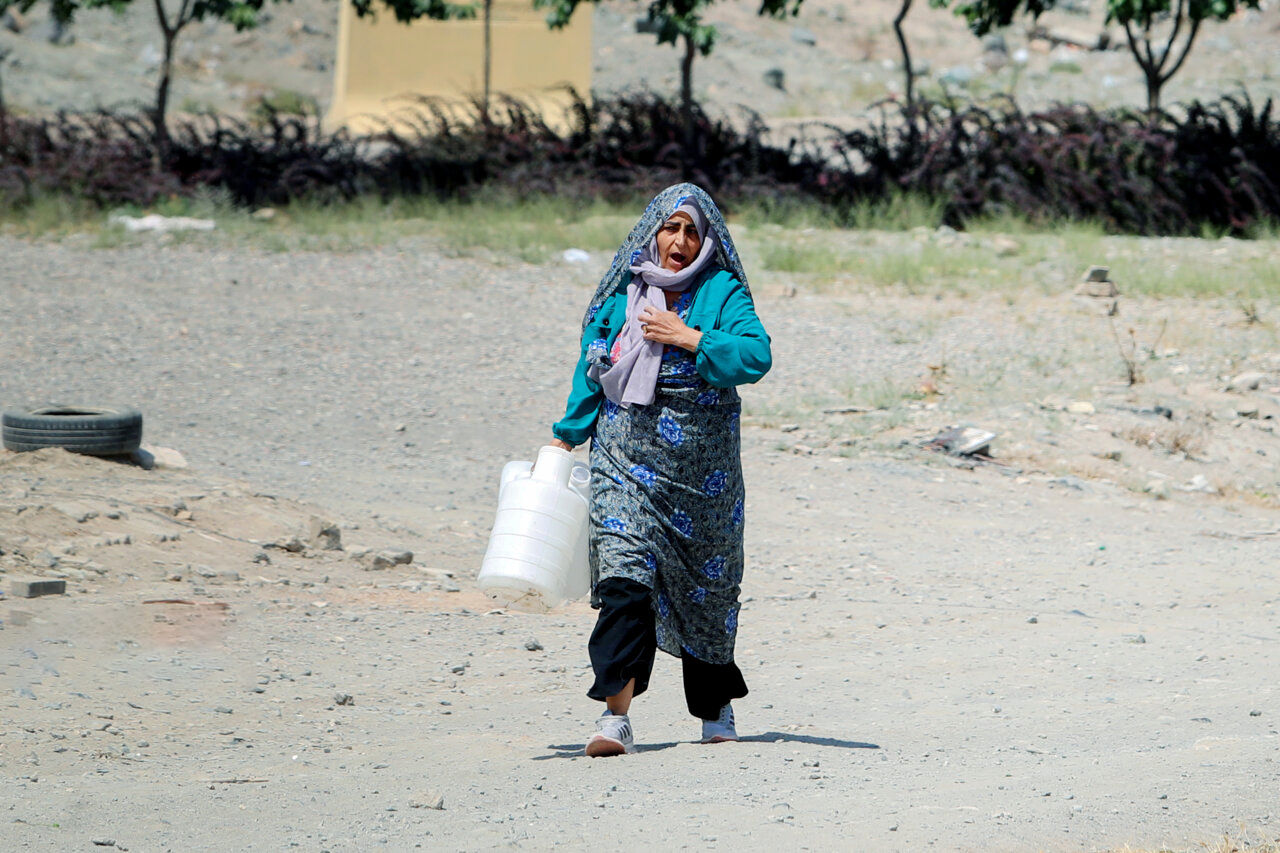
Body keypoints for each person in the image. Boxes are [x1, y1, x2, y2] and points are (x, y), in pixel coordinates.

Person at [549, 183, 772, 757]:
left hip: (704, 472)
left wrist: (691, 336)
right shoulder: (625, 292)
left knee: (707, 589)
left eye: (692, 230)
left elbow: (756, 356)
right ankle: (614, 718)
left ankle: (714, 706)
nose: (679, 240)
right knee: (624, 580)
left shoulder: (721, 291)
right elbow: (593, 362)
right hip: (623, 457)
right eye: (670, 227)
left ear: (708, 240)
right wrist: (568, 433)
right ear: (652, 230)